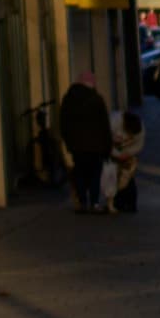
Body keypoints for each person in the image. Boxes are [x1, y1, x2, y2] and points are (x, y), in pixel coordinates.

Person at [57, 69, 112, 213]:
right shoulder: (97, 99)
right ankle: (94, 202)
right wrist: (107, 146)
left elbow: (64, 123)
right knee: (95, 174)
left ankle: (82, 202)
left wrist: (68, 141)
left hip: (77, 146)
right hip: (96, 146)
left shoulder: (69, 99)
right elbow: (104, 125)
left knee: (80, 173)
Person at [104, 100, 146, 215]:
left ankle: (130, 204)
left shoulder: (139, 129)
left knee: (128, 178)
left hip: (127, 154)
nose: (129, 137)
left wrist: (128, 153)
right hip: (111, 152)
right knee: (112, 177)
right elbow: (105, 141)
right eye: (128, 133)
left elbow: (139, 145)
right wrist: (116, 154)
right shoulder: (113, 121)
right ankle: (116, 203)